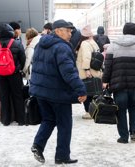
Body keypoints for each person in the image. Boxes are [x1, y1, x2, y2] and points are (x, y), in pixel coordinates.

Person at [29, 19, 87, 164]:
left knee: (49, 119)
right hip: (58, 93)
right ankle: (62, 156)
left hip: (42, 91)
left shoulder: (40, 44)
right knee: (65, 124)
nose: (70, 34)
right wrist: (81, 89)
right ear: (58, 31)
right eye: (67, 31)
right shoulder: (62, 47)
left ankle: (38, 145)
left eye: (71, 31)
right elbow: (69, 73)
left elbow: (34, 67)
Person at [102, 22, 135, 144]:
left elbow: (108, 67)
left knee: (120, 110)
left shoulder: (113, 47)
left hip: (118, 85)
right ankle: (133, 133)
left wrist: (105, 81)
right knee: (133, 108)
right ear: (134, 31)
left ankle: (123, 137)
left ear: (123, 31)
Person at [0, 23, 26, 126]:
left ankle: (5, 120)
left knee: (4, 97)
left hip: (1, 75)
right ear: (11, 32)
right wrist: (17, 68)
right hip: (15, 74)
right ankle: (21, 120)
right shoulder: (17, 44)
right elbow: (22, 59)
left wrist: (0, 68)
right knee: (18, 96)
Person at [76, 25, 102, 119]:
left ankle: (89, 112)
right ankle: (94, 110)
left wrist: (86, 70)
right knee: (93, 92)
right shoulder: (93, 42)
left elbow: (87, 57)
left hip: (87, 71)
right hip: (94, 70)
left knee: (86, 92)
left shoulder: (84, 43)